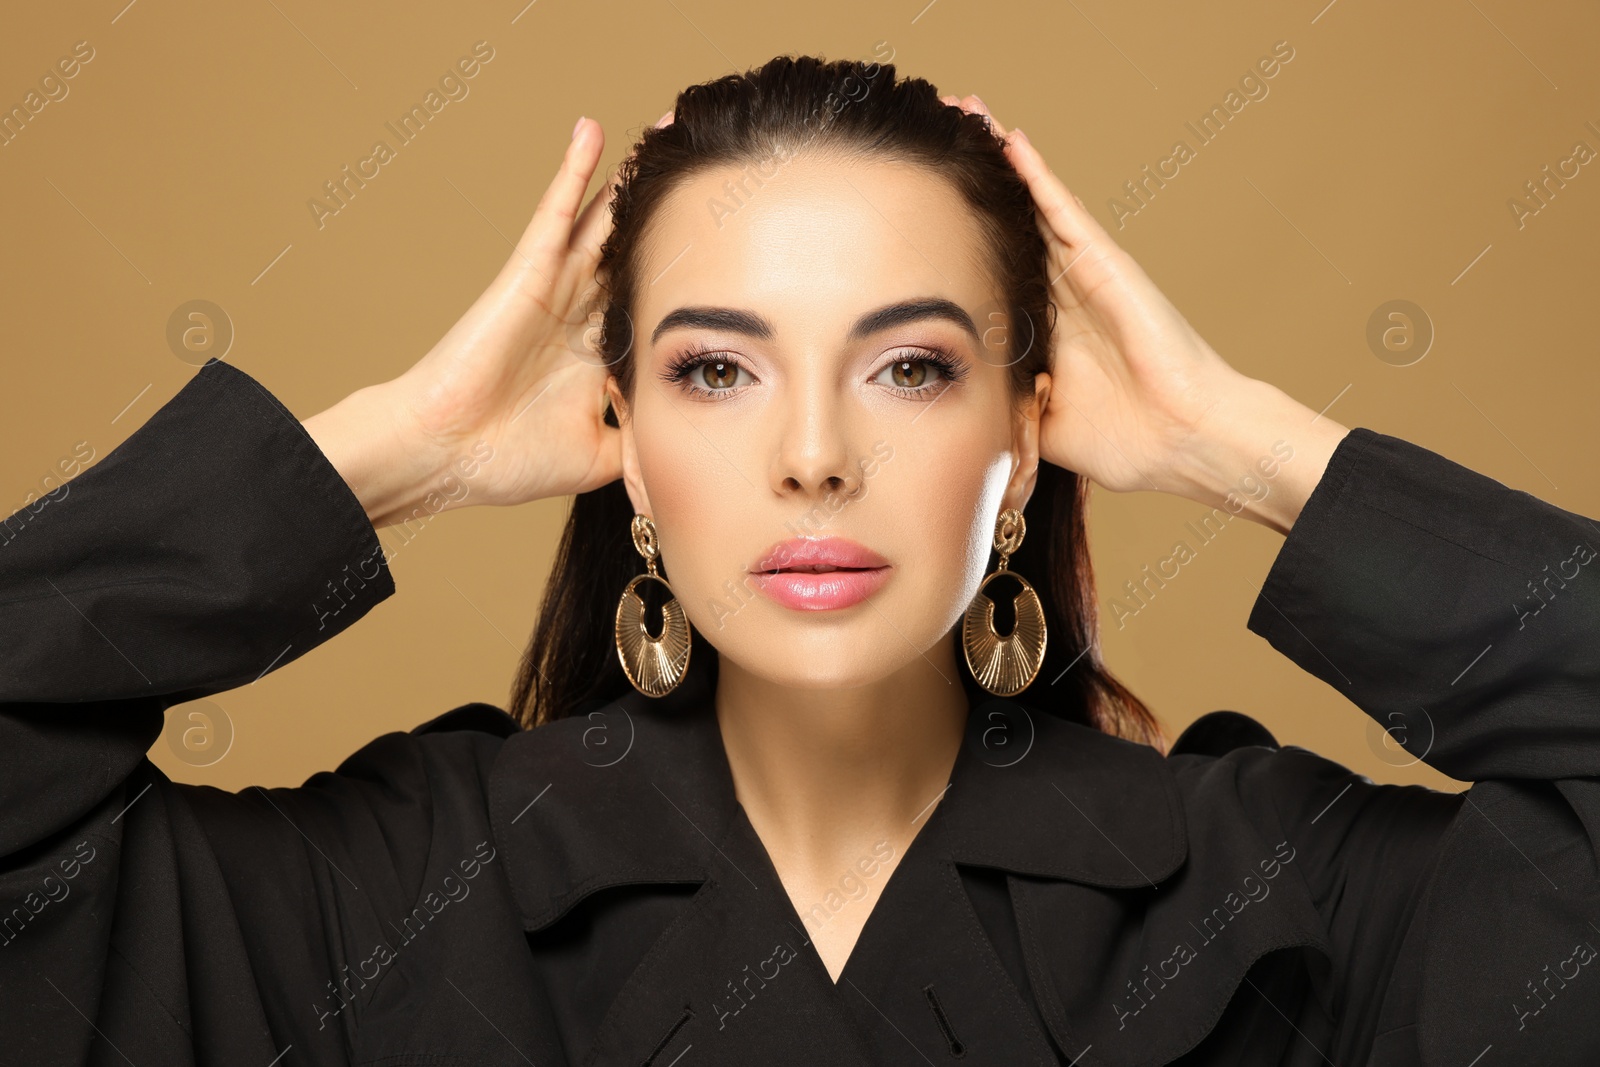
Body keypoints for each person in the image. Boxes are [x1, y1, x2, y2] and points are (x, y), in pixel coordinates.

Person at [2, 54, 1597, 1066]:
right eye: (714, 371)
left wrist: (1244, 447)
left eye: (911, 366)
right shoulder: (406, 894)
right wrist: (394, 453)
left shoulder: (1265, 891)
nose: (815, 454)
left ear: (1023, 434)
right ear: (619, 431)